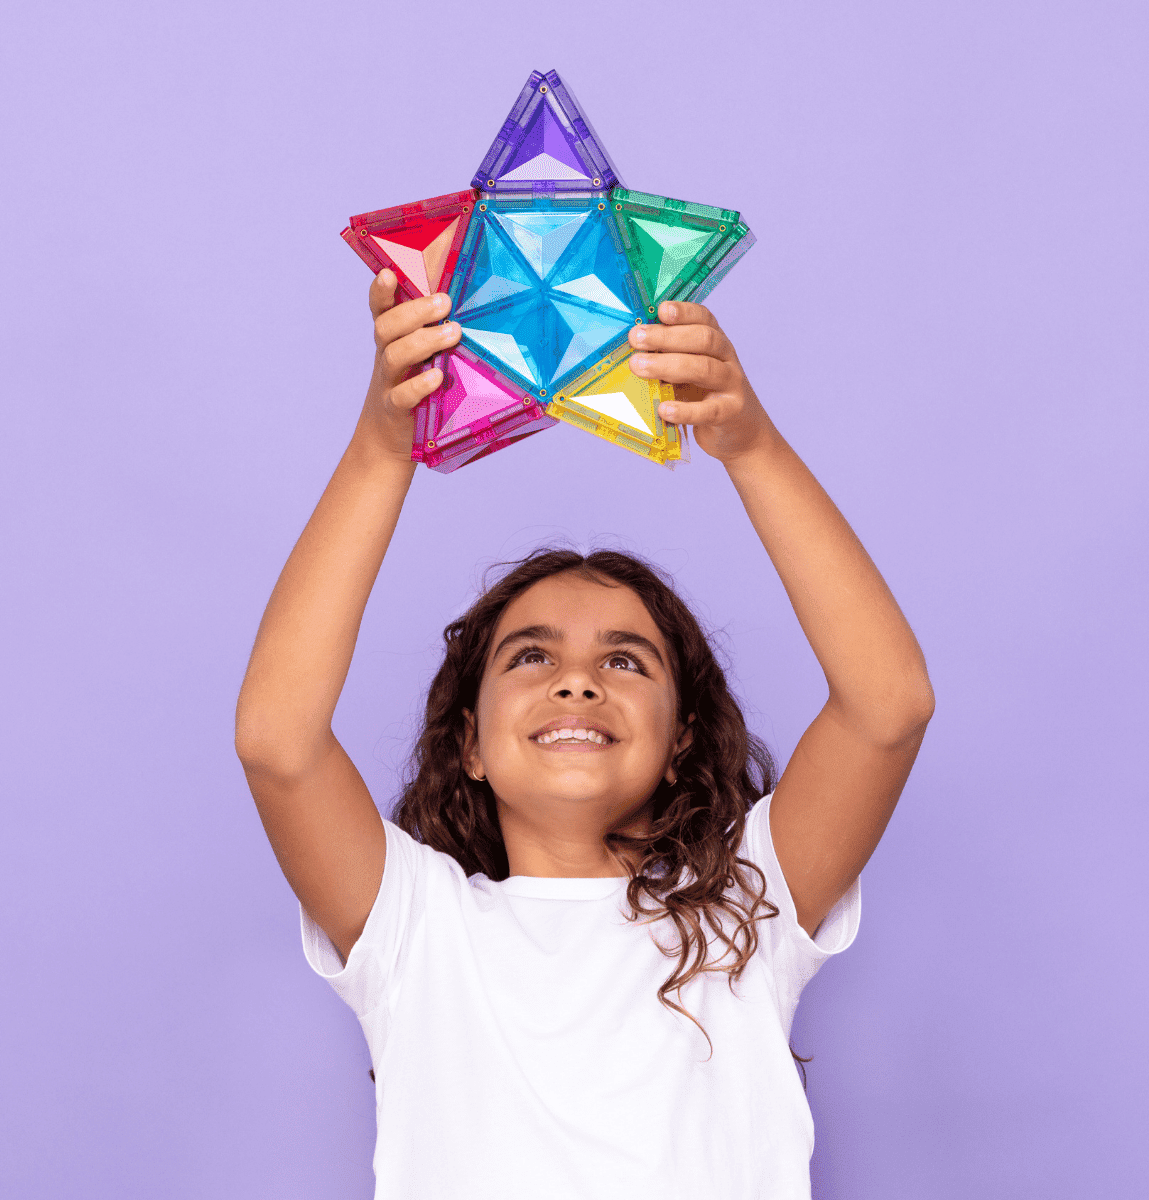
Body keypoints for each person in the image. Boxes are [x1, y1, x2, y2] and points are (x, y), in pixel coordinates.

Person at [235, 268, 935, 1199]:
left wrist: (751, 446)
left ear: (682, 740)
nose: (576, 681)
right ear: (469, 745)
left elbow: (888, 708)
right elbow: (278, 741)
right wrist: (380, 449)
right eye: (530, 657)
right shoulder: (417, 928)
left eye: (626, 661)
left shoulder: (745, 907)